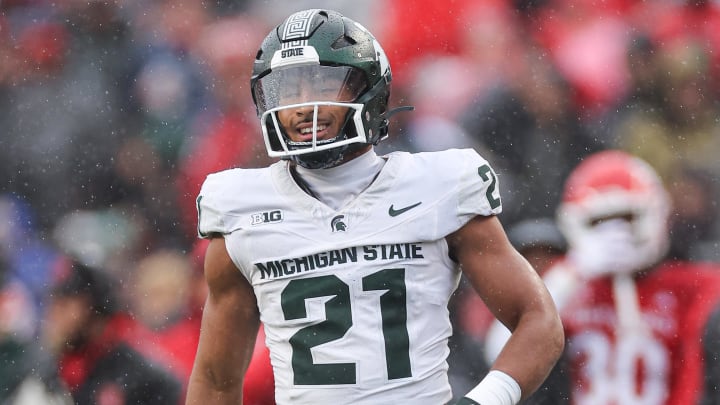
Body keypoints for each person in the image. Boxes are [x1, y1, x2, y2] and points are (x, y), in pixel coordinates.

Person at [186, 9, 563, 405]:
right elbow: (215, 381)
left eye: (321, 85)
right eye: (287, 90)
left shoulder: (438, 186)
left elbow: (538, 320)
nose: (301, 107)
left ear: (371, 92)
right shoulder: (242, 208)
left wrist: (483, 400)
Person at [485, 150, 720, 404]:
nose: (615, 234)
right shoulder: (566, 281)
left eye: (627, 217)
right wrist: (574, 272)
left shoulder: (693, 284)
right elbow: (500, 354)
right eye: (599, 222)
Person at [42, 259, 183, 404]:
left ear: (95, 314)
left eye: (65, 305)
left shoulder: (146, 378)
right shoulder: (48, 368)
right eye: (54, 303)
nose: (54, 314)